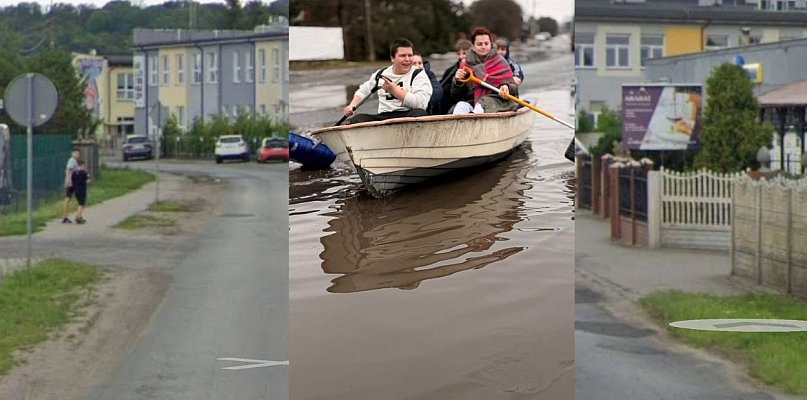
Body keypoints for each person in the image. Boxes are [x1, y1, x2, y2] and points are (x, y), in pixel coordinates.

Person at [343, 38, 432, 124]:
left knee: (420, 114)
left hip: (407, 114)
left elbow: (421, 104)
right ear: (392, 58)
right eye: (402, 56)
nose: (407, 59)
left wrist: (395, 90)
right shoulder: (381, 74)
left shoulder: (418, 74)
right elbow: (363, 91)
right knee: (357, 119)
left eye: (410, 55)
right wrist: (352, 105)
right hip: (384, 116)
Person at [451, 27, 519, 114]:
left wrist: (506, 87)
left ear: (490, 43)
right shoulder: (465, 64)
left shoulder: (501, 61)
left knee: (482, 104)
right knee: (460, 105)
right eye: (479, 44)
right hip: (475, 100)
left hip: (498, 102)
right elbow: (456, 95)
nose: (483, 47)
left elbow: (513, 88)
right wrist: (458, 82)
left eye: (486, 43)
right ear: (473, 46)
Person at [438, 39, 472, 114]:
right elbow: (441, 84)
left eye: (464, 53)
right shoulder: (450, 70)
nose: (461, 56)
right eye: (459, 53)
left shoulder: (475, 69)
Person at [62, 149, 81, 224]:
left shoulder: (73, 161)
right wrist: (68, 181)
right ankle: (68, 216)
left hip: (73, 182)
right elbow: (69, 170)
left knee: (68, 198)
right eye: (76, 153)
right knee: (69, 198)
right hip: (72, 182)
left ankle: (66, 216)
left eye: (78, 154)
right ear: (72, 153)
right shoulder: (72, 160)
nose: (77, 155)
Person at [71, 160, 91, 224]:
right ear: (82, 166)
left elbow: (72, 180)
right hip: (82, 190)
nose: (85, 167)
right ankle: (78, 217)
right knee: (81, 204)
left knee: (80, 203)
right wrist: (88, 176)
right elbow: (88, 181)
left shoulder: (74, 173)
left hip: (76, 190)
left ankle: (78, 215)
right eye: (85, 166)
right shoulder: (83, 173)